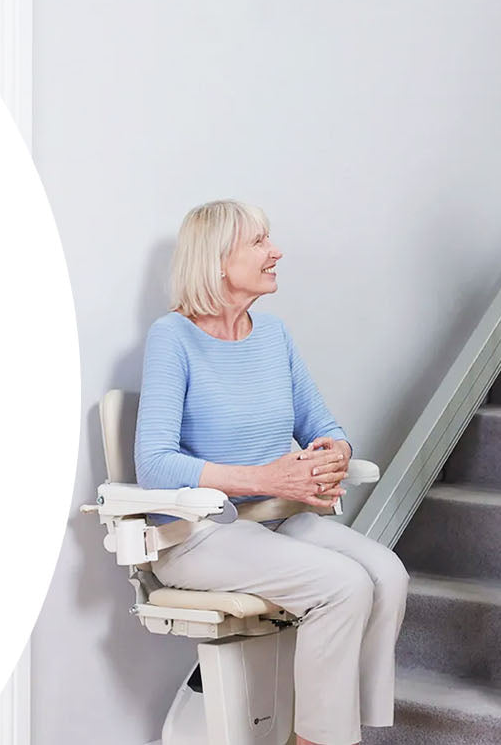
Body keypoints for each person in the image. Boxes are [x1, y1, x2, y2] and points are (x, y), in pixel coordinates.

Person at [136, 199, 405, 745]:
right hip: (199, 536)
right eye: (259, 242)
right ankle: (321, 739)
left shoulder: (273, 335)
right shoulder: (173, 338)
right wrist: (265, 479)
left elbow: (324, 425)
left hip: (275, 522)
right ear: (216, 261)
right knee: (343, 584)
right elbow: (155, 463)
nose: (275, 251)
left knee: (388, 574)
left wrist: (334, 451)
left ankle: (340, 729)